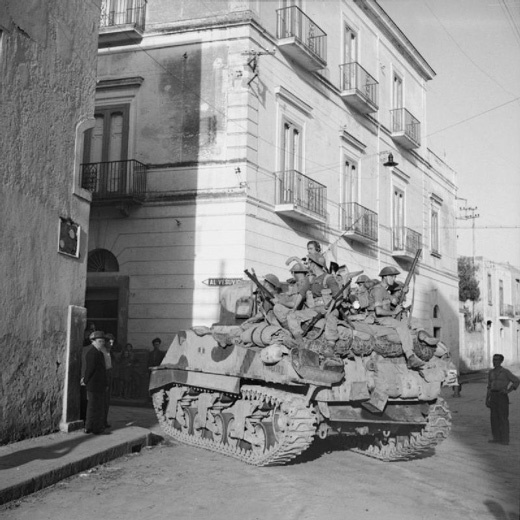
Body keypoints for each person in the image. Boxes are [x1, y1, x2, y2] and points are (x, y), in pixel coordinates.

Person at [369, 265, 424, 369]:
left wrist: (404, 291)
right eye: (392, 277)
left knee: (406, 325)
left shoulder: (384, 290)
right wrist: (394, 312)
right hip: (377, 318)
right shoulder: (378, 290)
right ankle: (410, 356)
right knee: (401, 327)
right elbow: (378, 311)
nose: (394, 279)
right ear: (385, 277)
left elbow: (395, 301)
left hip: (384, 318)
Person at [486, 354, 519, 445]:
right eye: (493, 359)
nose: (494, 361)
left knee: (503, 418)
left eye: (497, 360)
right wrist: (487, 399)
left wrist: (508, 390)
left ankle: (505, 439)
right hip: (493, 396)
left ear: (501, 361)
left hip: (502, 396)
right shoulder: (491, 373)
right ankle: (496, 438)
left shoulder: (505, 372)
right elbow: (489, 386)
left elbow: (516, 380)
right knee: (494, 418)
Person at [82, 331, 108, 434]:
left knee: (97, 407)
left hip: (99, 385)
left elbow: (103, 370)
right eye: (100, 341)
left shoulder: (99, 353)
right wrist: (85, 380)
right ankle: (90, 427)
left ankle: (93, 427)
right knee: (93, 407)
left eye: (103, 341)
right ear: (94, 342)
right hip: (93, 385)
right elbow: (90, 369)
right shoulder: (92, 353)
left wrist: (105, 383)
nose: (102, 343)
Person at [101, 333, 115, 428]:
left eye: (112, 342)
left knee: (107, 400)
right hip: (104, 375)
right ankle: (100, 421)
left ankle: (104, 421)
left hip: (109, 374)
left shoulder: (109, 352)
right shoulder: (102, 352)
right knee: (102, 401)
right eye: (109, 342)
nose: (111, 344)